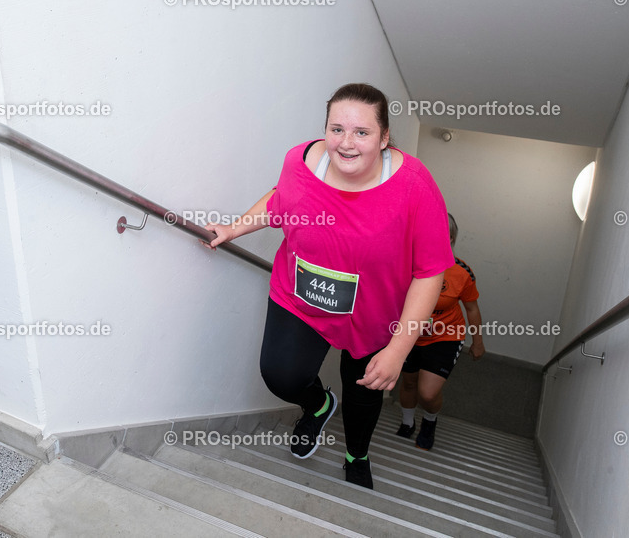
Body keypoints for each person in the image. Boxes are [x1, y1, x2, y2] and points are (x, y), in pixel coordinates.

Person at [205, 83, 453, 489]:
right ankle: (318, 405)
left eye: (362, 132)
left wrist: (398, 350)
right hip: (301, 296)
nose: (346, 143)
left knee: (364, 394)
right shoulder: (301, 161)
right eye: (336, 129)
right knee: (280, 375)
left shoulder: (414, 185)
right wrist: (232, 229)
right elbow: (279, 200)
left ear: (385, 137)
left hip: (374, 315)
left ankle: (357, 454)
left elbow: (430, 273)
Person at [396, 214, 485, 450]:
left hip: (446, 335)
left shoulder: (462, 272)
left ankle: (429, 421)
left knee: (427, 393)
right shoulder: (406, 264)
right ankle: (407, 422)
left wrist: (478, 342)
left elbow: (472, 308)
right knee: (408, 383)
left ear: (451, 238)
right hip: (410, 333)